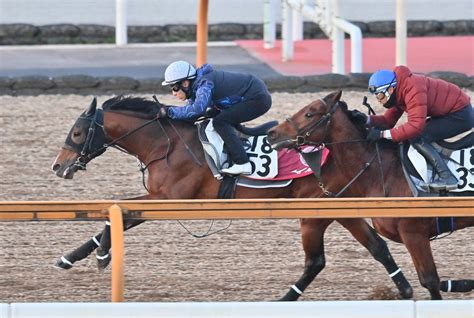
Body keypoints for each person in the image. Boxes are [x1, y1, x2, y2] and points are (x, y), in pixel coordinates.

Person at [366, 65, 473, 191]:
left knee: (417, 136)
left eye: (380, 96)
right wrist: (366, 120)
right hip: (450, 111)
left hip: (460, 115)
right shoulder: (399, 90)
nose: (379, 101)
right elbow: (388, 121)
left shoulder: (413, 87)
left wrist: (382, 135)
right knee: (413, 134)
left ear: (390, 90)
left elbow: (415, 126)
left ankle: (447, 177)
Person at [158, 60, 272, 175]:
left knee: (220, 122)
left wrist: (170, 111)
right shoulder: (197, 86)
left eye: (174, 88)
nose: (173, 93)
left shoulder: (205, 83)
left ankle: (243, 163)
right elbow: (190, 114)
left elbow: (198, 109)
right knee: (217, 116)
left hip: (257, 98)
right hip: (251, 95)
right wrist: (169, 113)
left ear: (185, 83)